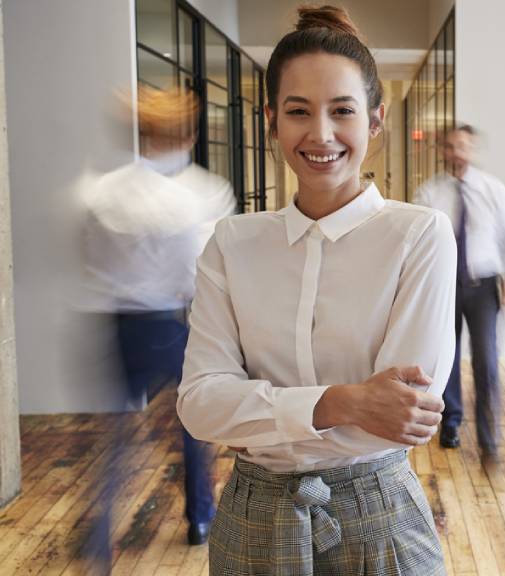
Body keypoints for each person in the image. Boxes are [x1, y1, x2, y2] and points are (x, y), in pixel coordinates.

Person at [177, 6, 455, 574]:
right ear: (271, 120)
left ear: (374, 122)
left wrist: (261, 409)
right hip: (252, 520)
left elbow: (407, 411)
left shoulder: (417, 234)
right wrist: (344, 402)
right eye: (298, 111)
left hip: (379, 516)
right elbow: (201, 405)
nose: (320, 134)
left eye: (343, 111)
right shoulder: (232, 243)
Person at [77, 86, 233, 555]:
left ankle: (101, 531)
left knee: (117, 435)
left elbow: (91, 261)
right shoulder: (202, 195)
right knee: (192, 428)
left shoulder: (101, 192)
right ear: (187, 135)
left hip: (119, 324)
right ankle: (200, 519)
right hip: (173, 322)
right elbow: (203, 271)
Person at [414, 125, 505, 461]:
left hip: (484, 284)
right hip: (445, 285)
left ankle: (489, 436)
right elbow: (419, 242)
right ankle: (452, 423)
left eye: (463, 146)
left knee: (486, 360)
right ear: (442, 151)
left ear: (471, 149)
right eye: (450, 146)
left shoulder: (493, 190)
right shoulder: (429, 193)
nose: (457, 152)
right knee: (448, 356)